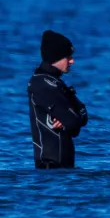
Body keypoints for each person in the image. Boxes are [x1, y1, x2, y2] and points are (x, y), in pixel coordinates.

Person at [28, 30, 88, 170]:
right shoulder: (41, 84)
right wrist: (71, 118)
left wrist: (69, 118)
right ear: (56, 57)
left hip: (65, 172)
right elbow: (73, 124)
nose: (72, 61)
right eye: (68, 56)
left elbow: (83, 115)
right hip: (49, 172)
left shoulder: (57, 84)